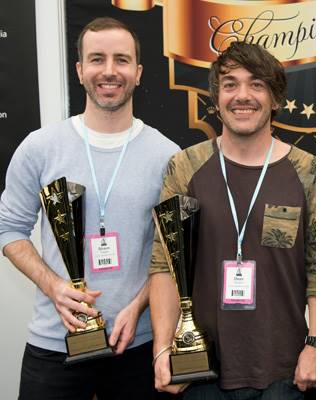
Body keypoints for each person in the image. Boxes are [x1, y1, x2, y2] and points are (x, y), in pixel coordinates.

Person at [0, 17, 179, 399]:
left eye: (121, 60)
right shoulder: (39, 147)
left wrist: (139, 305)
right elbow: (9, 229)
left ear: (138, 72)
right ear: (80, 71)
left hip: (138, 345)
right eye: (97, 59)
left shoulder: (167, 156)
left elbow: (172, 253)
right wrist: (54, 286)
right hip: (55, 343)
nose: (109, 71)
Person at [149, 41, 316, 399]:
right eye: (230, 84)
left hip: (284, 371)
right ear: (216, 96)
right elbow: (165, 264)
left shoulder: (307, 170)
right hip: (201, 369)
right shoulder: (185, 166)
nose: (242, 95)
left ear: (276, 98)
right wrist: (162, 350)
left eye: (256, 84)